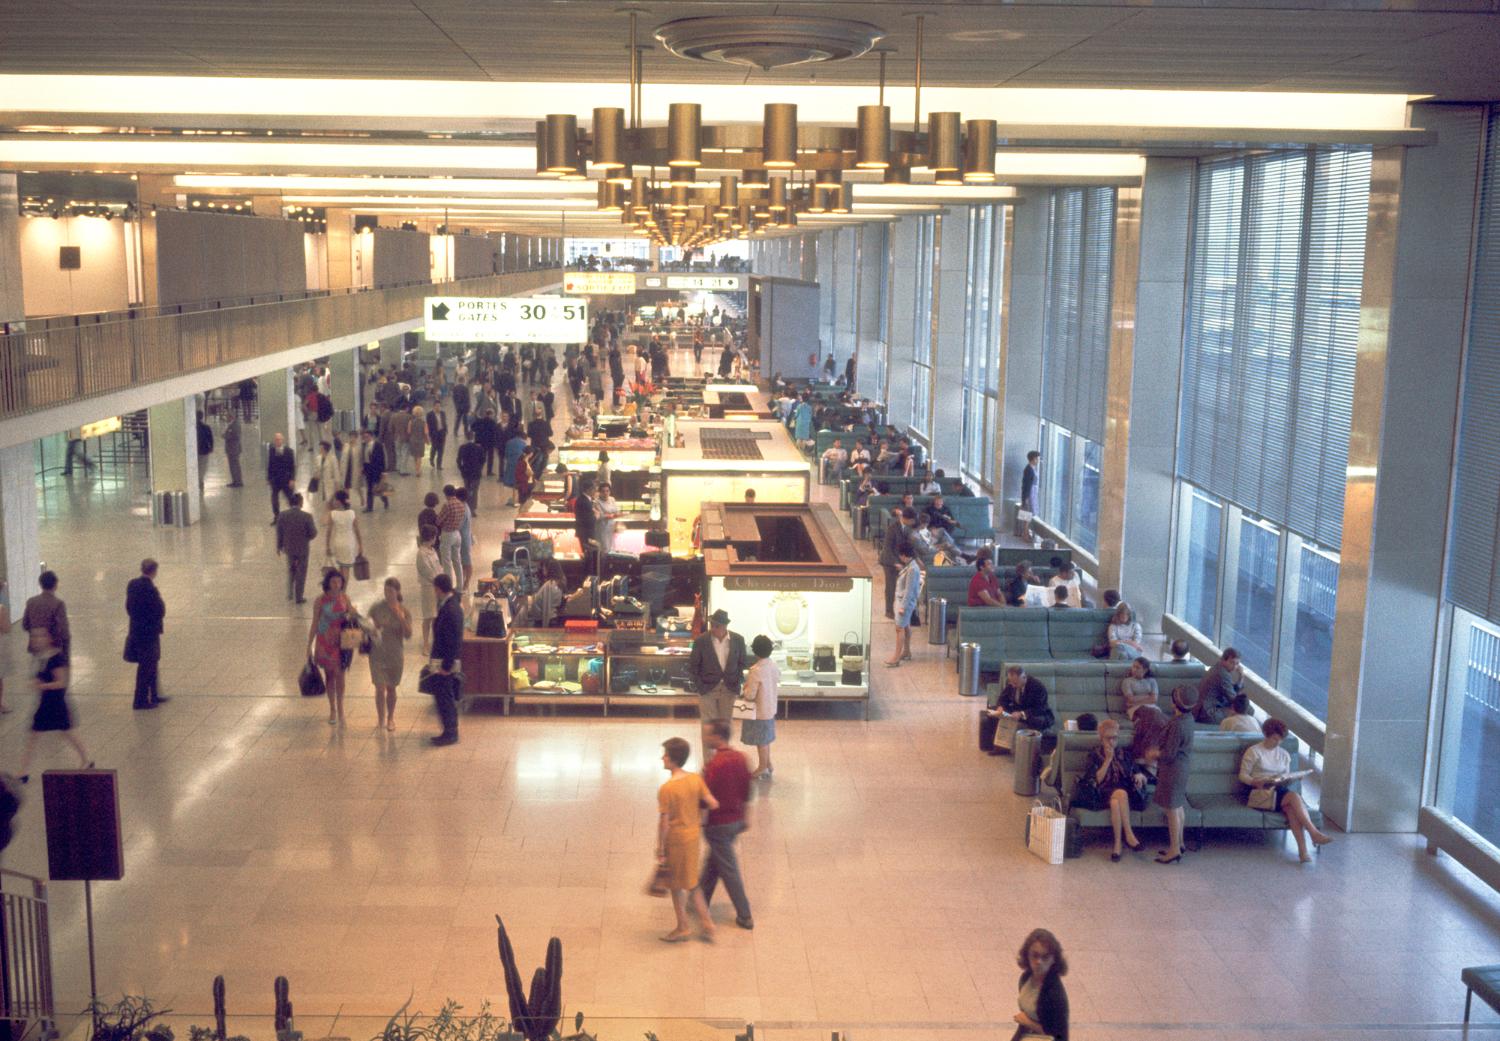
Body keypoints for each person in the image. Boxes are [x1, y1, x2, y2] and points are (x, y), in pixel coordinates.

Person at [1240, 718, 1334, 862]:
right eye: (1274, 739)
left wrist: (1294, 778)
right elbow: (1243, 775)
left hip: (1279, 792)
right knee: (1293, 797)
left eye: (1280, 740)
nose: (1277, 743)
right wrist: (1255, 781)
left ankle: (1303, 853)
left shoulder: (1284, 754)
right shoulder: (1254, 752)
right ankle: (1313, 832)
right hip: (1260, 792)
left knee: (1291, 808)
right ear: (1266, 735)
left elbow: (1285, 776)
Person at [655, 736, 719, 943]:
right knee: (691, 882)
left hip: (676, 840)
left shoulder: (667, 789)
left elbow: (664, 823)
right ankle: (706, 923)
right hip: (693, 837)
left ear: (673, 759)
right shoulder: (695, 779)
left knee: (676, 884)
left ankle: (683, 926)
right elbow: (712, 803)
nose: (662, 758)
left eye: (665, 755)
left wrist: (660, 848)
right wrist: (699, 818)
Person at [699, 718, 754, 930]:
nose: (705, 738)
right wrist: (746, 817)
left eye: (708, 734)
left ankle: (745, 914)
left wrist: (697, 819)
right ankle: (699, 902)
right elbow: (748, 790)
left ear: (717, 737)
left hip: (718, 825)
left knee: (729, 869)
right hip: (736, 821)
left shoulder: (714, 765)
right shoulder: (741, 758)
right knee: (713, 864)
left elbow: (705, 797)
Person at [16, 628, 90, 784]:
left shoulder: (56, 658)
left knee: (66, 732)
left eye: (40, 636)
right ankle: (23, 770)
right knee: (36, 735)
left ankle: (86, 759)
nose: (36, 639)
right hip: (45, 703)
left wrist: (42, 686)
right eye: (34, 636)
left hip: (55, 703)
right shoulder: (40, 657)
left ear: (49, 638)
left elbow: (61, 682)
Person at [1073, 719, 1145, 861]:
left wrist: (1139, 774)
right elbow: (1096, 780)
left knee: (1116, 801)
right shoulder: (1094, 755)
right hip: (1102, 793)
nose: (1112, 741)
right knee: (1119, 794)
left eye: (1115, 737)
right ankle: (1129, 835)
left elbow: (1136, 771)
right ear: (1101, 738)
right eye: (1109, 738)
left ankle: (1117, 845)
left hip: (1122, 793)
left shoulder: (1124, 753)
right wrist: (1107, 760)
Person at [1146, 685, 1198, 864]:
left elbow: (1168, 753)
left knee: (1171, 809)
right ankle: (1180, 843)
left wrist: (1153, 754)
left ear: (1175, 703)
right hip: (1181, 768)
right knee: (1178, 806)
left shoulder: (1177, 724)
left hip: (1172, 770)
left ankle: (1174, 849)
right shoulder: (1188, 719)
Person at [308, 569, 355, 726]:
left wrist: (351, 614)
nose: (337, 585)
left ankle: (340, 707)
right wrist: (309, 644)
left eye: (339, 582)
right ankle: (332, 708)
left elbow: (353, 617)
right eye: (334, 581)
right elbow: (315, 623)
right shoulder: (320, 601)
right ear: (328, 583)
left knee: (340, 674)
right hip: (325, 641)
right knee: (329, 675)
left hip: (341, 641)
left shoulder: (345, 598)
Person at [366, 577, 413, 732]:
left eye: (391, 591)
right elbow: (366, 625)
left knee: (391, 688)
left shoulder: (404, 611)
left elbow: (408, 634)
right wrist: (372, 628)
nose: (388, 594)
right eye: (386, 591)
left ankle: (390, 717)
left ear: (397, 592)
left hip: (394, 654)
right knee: (379, 687)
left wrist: (399, 616)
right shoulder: (376, 608)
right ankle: (380, 719)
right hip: (377, 653)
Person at [688, 609, 747, 726]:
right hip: (707, 688)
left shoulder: (738, 640)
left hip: (729, 688)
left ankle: (725, 745)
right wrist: (699, 686)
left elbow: (742, 663)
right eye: (712, 625)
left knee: (726, 725)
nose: (713, 628)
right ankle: (709, 746)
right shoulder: (701, 641)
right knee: (708, 725)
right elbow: (693, 665)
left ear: (725, 626)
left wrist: (738, 681)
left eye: (717, 626)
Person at [124, 559, 167, 711]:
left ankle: (154, 694)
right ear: (154, 571)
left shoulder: (132, 584)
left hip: (136, 630)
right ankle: (141, 700)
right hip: (149, 633)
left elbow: (128, 607)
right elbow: (160, 610)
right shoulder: (150, 589)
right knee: (148, 666)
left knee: (150, 665)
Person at [427, 573, 465, 746]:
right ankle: (449, 730)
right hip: (444, 661)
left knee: (445, 696)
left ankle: (450, 732)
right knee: (444, 695)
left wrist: (446, 666)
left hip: (445, 663)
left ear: (438, 588)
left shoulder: (450, 609)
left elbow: (452, 640)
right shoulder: (452, 605)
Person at [1011, 928, 1069, 1041]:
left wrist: (1029, 1023)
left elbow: (1060, 1037)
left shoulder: (1055, 995)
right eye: (1035, 955)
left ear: (1054, 959)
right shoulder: (1026, 977)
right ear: (1027, 955)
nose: (1039, 962)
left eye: (1045, 957)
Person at [740, 634, 779, 779]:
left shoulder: (755, 670)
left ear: (755, 651)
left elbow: (750, 695)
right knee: (765, 738)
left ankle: (762, 767)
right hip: (770, 708)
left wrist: (744, 689)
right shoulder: (773, 665)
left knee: (761, 740)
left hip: (758, 711)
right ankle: (768, 764)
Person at [987, 665, 1055, 740]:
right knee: (992, 711)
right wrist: (1000, 707)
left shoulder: (1037, 686)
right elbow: (1003, 698)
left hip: (1035, 713)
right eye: (1010, 682)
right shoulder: (1012, 683)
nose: (1012, 685)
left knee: (1035, 720)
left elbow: (1040, 708)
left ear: (1024, 677)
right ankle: (996, 744)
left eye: (1015, 683)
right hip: (1017, 710)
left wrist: (1022, 713)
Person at [275, 493, 318, 603]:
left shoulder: (282, 515)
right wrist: (306, 537)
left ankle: (290, 594)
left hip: (289, 548)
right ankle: (299, 597)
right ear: (300, 502)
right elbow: (313, 533)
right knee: (301, 572)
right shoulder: (307, 516)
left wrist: (279, 546)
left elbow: (279, 532)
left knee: (291, 570)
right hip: (302, 548)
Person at [885, 544, 922, 667]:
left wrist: (903, 607)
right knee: (906, 626)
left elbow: (909, 590)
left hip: (904, 602)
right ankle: (906, 651)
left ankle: (896, 657)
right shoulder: (910, 566)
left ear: (904, 555)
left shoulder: (912, 569)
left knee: (899, 628)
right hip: (902, 601)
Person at [21, 571, 70, 658]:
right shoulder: (58, 604)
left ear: (40, 584)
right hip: (54, 649)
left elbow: (25, 624)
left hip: (36, 649)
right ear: (55, 585)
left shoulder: (31, 602)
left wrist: (37, 635)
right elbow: (63, 631)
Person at [879, 505, 913, 620]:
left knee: (902, 587)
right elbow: (887, 548)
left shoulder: (908, 528)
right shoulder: (892, 528)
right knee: (891, 586)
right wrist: (896, 563)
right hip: (889, 561)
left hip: (901, 560)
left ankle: (900, 608)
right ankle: (889, 611)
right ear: (906, 519)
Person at [324, 490, 364, 587]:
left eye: (335, 500)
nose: (333, 501)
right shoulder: (352, 513)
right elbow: (357, 530)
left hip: (338, 544)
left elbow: (328, 531)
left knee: (341, 568)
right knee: (346, 570)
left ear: (338, 501)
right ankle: (343, 592)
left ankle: (339, 590)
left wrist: (327, 546)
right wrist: (361, 545)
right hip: (349, 544)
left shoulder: (333, 514)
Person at [414, 525, 443, 655]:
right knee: (428, 616)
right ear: (431, 538)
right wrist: (438, 581)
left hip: (437, 587)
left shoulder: (432, 551)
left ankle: (435, 641)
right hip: (428, 588)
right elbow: (427, 571)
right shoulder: (421, 554)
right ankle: (425, 644)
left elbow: (438, 567)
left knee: (436, 616)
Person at [1196, 647, 1244, 725]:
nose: (1235, 667)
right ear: (1223, 660)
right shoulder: (1222, 674)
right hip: (1207, 712)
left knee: (1241, 711)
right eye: (1232, 663)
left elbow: (1230, 691)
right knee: (1242, 713)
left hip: (1204, 708)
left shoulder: (1218, 667)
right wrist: (1241, 677)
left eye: (1237, 664)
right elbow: (1233, 699)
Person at [436, 485, 466, 585]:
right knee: (457, 561)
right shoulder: (461, 504)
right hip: (457, 534)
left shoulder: (447, 505)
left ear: (446, 494)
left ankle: (449, 586)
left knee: (447, 562)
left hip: (447, 534)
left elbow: (439, 520)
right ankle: (460, 586)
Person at [267, 431, 296, 523]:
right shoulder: (272, 450)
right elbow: (270, 465)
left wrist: (292, 479)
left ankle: (294, 517)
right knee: (274, 499)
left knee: (290, 498)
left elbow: (292, 466)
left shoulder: (289, 451)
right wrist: (269, 478)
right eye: (276, 440)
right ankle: (277, 516)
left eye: (279, 439)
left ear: (282, 440)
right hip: (275, 480)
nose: (278, 441)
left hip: (286, 479)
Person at [458, 428, 487, 512]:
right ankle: (473, 508)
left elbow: (459, 460)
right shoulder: (479, 448)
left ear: (466, 437)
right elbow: (483, 459)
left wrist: (461, 469)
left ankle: (466, 507)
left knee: (466, 489)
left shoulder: (462, 447)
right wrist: (480, 468)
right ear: (473, 437)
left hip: (466, 472)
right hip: (476, 472)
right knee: (475, 491)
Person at [312, 440, 340, 507]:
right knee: (324, 502)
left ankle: (330, 513)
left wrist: (337, 485)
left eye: (321, 448)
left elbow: (336, 472)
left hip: (330, 483)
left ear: (325, 449)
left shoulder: (332, 459)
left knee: (329, 501)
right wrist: (315, 475)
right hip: (321, 484)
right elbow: (316, 470)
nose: (319, 449)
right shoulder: (318, 458)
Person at [596, 482, 621, 556]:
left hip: (611, 527)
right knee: (603, 549)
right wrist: (611, 515)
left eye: (607, 491)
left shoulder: (612, 499)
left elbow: (617, 512)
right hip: (602, 528)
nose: (605, 493)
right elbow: (600, 516)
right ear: (599, 492)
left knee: (611, 548)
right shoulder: (597, 502)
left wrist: (616, 523)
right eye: (603, 491)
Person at [223, 410, 244, 487]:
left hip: (234, 449)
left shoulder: (235, 425)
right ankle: (235, 480)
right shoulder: (231, 424)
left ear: (231, 417)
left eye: (227, 416)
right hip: (231, 449)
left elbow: (236, 436)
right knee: (232, 466)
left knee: (235, 466)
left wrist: (226, 436)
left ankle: (238, 482)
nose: (226, 418)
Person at [195, 409, 214, 495]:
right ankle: (200, 482)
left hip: (195, 451)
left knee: (196, 467)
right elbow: (211, 439)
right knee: (202, 468)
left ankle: (197, 482)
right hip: (204, 450)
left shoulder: (193, 428)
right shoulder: (206, 427)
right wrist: (211, 448)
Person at [408, 404, 429, 476]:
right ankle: (418, 470)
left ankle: (416, 469)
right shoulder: (424, 423)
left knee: (415, 455)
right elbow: (426, 433)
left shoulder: (411, 422)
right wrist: (428, 441)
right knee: (419, 456)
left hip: (412, 440)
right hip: (421, 441)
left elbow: (409, 431)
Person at [427, 403, 448, 470]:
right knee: (434, 448)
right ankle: (431, 458)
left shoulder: (442, 413)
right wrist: (429, 435)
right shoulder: (429, 414)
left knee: (441, 450)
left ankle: (439, 465)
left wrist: (445, 430)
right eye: (436, 406)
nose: (438, 408)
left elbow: (444, 422)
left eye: (439, 406)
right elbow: (428, 425)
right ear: (433, 407)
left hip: (442, 433)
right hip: (434, 434)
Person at [1020, 450, 1041, 515]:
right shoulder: (1029, 470)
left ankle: (1025, 525)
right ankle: (1025, 525)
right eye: (1037, 459)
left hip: (1032, 493)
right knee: (1028, 514)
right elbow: (1026, 484)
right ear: (1033, 459)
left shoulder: (1031, 468)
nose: (1038, 461)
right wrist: (1026, 498)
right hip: (1030, 494)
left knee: (1029, 513)